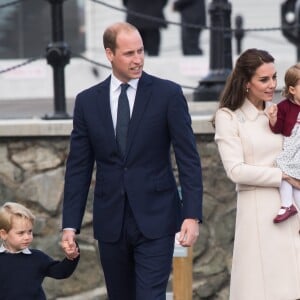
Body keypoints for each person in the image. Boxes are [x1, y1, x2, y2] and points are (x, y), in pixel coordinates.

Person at [61, 22, 203, 300]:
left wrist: (192, 214)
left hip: (158, 218)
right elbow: (78, 168)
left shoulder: (168, 94)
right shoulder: (88, 102)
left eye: (140, 51)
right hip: (111, 221)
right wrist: (70, 225)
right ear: (109, 54)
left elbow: (188, 158)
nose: (137, 59)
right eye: (128, 53)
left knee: (150, 296)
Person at [213, 48, 300, 300]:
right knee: (263, 289)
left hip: (292, 209)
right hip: (259, 215)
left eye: (274, 77)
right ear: (246, 83)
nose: (273, 85)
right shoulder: (228, 117)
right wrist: (282, 176)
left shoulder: (281, 112)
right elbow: (236, 170)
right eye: (264, 79)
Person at [0, 201, 80, 300]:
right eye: (21, 233)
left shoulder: (37, 258)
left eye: (30, 231)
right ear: (4, 234)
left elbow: (61, 272)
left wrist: (71, 256)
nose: (27, 237)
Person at [267, 63, 300, 224]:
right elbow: (278, 128)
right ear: (292, 90)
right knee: (284, 171)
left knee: (287, 172)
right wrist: (273, 119)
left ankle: (288, 205)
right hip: (292, 145)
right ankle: (287, 205)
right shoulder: (285, 107)